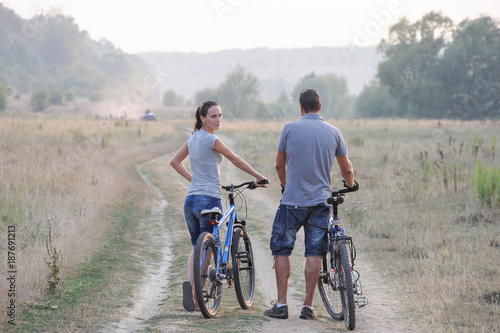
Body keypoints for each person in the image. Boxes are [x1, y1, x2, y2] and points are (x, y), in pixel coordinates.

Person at [264, 89, 356, 320]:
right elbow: (347, 168)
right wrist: (351, 183)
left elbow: (279, 165)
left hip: (292, 202)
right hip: (320, 203)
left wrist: (286, 186)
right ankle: (308, 307)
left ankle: (282, 304)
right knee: (314, 252)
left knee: (282, 250)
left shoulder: (289, 128)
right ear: (320, 106)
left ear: (301, 108)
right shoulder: (334, 132)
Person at [170, 101, 267, 312]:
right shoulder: (212, 139)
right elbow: (237, 160)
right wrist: (258, 176)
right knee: (207, 250)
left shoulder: (193, 138)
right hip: (208, 199)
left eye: (220, 115)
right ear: (202, 118)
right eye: (213, 116)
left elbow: (175, 162)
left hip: (191, 200)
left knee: (198, 247)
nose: (218, 120)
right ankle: (197, 300)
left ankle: (191, 284)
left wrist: (193, 180)